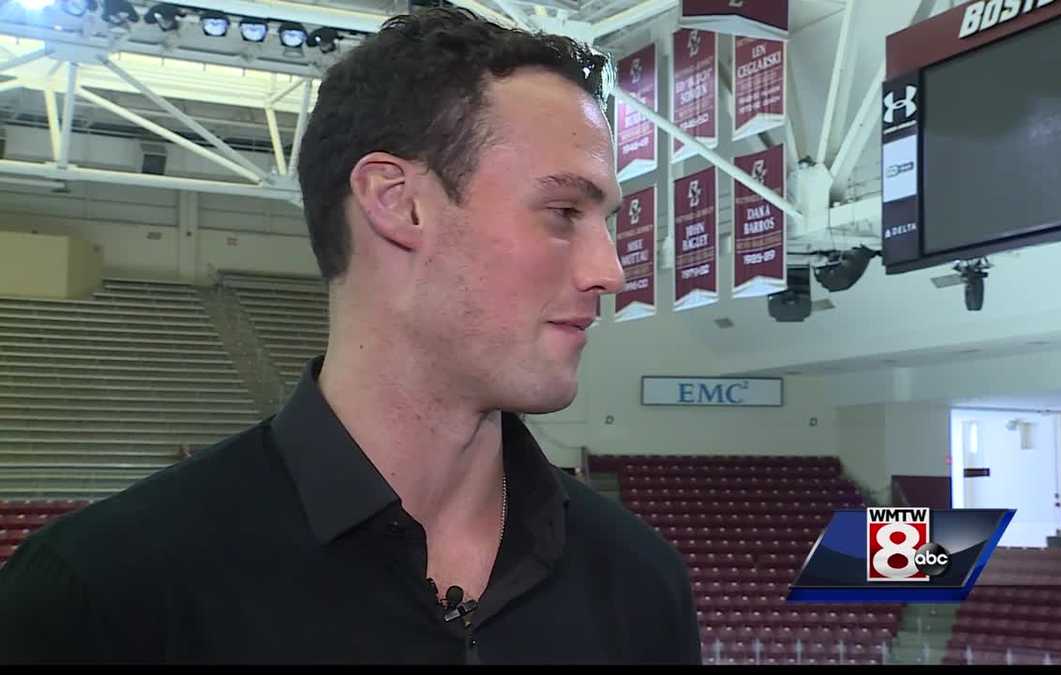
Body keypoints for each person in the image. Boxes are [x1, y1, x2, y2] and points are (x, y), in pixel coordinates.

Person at [0, 8, 700, 664]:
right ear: (397, 202)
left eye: (604, 218)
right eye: (562, 210)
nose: (609, 270)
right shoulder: (101, 596)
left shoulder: (641, 581)